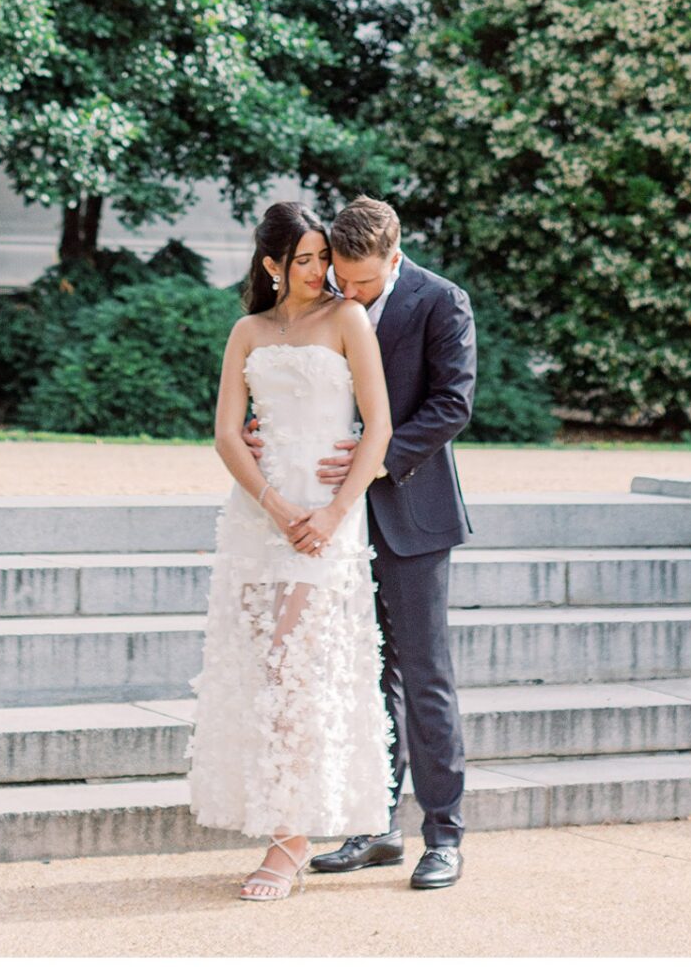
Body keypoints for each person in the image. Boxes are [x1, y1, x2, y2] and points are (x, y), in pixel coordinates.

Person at [251, 195, 477, 892]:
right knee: (362, 677)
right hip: (330, 522)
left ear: (395, 255)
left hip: (410, 513)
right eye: (339, 278)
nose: (347, 292)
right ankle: (375, 827)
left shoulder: (441, 301)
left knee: (424, 675)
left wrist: (376, 458)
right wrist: (269, 431)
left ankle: (444, 836)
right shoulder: (323, 302)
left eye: (363, 282)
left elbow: (452, 403)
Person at [185, 201, 394, 901]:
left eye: (322, 257)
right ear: (273, 264)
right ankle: (279, 822)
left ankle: (290, 842)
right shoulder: (246, 331)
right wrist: (271, 505)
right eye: (304, 259)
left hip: (325, 521)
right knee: (261, 670)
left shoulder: (348, 319)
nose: (318, 270)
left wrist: (332, 514)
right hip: (257, 519)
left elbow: (378, 427)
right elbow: (225, 433)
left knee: (294, 670)